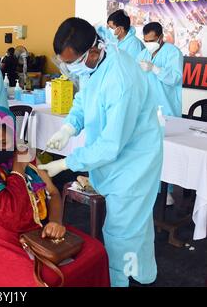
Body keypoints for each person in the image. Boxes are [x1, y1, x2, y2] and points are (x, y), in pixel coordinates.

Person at [38, 18, 163, 287]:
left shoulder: (121, 80)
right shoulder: (95, 65)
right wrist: (69, 128)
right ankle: (141, 273)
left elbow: (110, 145)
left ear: (92, 52)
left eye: (72, 63)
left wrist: (66, 164)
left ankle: (122, 280)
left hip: (134, 164)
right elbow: (84, 99)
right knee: (136, 227)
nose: (70, 69)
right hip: (118, 161)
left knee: (122, 233)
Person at [0, 106, 110, 287]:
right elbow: (12, 216)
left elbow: (52, 193)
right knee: (44, 279)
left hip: (41, 231)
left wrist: (55, 222)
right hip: (8, 240)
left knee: (97, 252)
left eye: (4, 142)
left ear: (14, 139)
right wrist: (18, 170)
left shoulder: (25, 157)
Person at [137, 22, 183, 118]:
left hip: (167, 109)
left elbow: (174, 79)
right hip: (146, 110)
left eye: (152, 41)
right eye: (146, 41)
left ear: (161, 37)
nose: (148, 44)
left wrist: (155, 69)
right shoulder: (143, 54)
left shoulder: (173, 52)